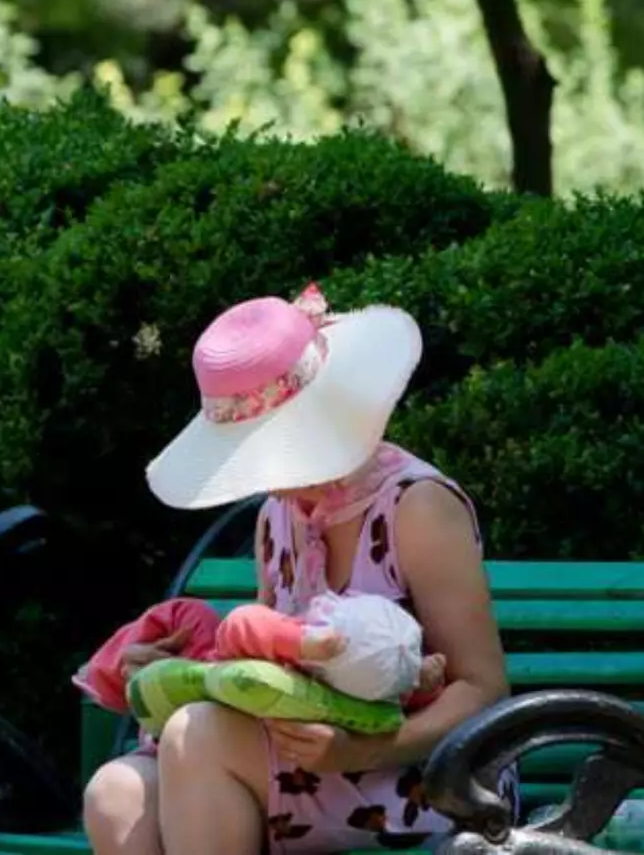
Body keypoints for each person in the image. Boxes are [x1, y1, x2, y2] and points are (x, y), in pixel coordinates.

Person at [83, 284, 517, 854]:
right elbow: (268, 659)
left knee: (199, 735)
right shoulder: (278, 518)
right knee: (115, 792)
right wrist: (185, 666)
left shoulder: (417, 507)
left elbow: (484, 689)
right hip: (297, 760)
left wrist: (366, 749)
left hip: (422, 775)